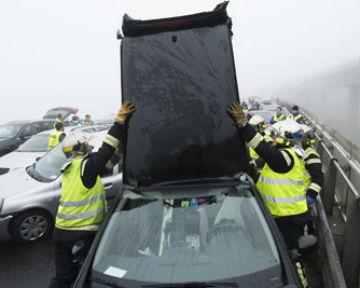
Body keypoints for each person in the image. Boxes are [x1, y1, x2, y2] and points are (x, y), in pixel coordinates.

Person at [48, 101, 135, 288]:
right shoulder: (85, 166)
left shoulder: (71, 169)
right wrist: (119, 122)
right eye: (86, 145)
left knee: (63, 277)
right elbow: (106, 149)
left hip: (61, 233)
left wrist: (118, 154)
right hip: (82, 231)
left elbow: (105, 165)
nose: (90, 147)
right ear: (79, 149)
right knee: (91, 272)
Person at [227, 103, 310, 251]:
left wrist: (243, 125)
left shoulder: (286, 157)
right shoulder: (287, 157)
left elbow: (260, 146)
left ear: (285, 137)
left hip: (288, 219)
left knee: (291, 258)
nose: (272, 139)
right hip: (283, 216)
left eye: (275, 136)